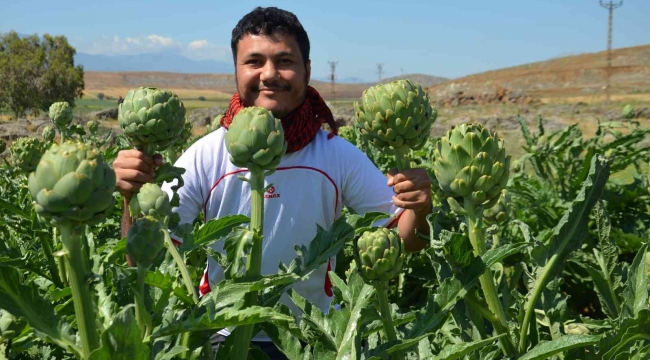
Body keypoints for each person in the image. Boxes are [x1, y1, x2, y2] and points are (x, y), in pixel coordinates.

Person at [113, 6, 431, 359]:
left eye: (284, 61)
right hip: (221, 334)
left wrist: (419, 206)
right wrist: (132, 197)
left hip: (312, 336)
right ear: (236, 70)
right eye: (254, 62)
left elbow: (406, 241)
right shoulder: (206, 155)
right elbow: (145, 256)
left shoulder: (337, 156)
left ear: (307, 70)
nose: (269, 74)